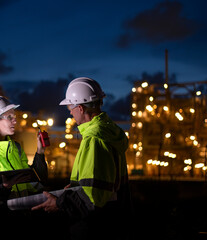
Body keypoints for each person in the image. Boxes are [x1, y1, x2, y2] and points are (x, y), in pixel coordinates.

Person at [32, 77, 132, 240]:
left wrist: (59, 203)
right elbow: (102, 184)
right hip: (113, 220)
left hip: (95, 229)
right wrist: (75, 188)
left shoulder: (94, 139)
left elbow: (91, 198)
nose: (70, 112)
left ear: (80, 108)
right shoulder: (109, 133)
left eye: (70, 108)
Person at [0, 95, 47, 240]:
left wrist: (40, 153)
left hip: (20, 221)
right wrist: (4, 187)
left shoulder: (16, 147)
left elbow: (35, 184)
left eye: (14, 116)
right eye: (9, 117)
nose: (15, 120)